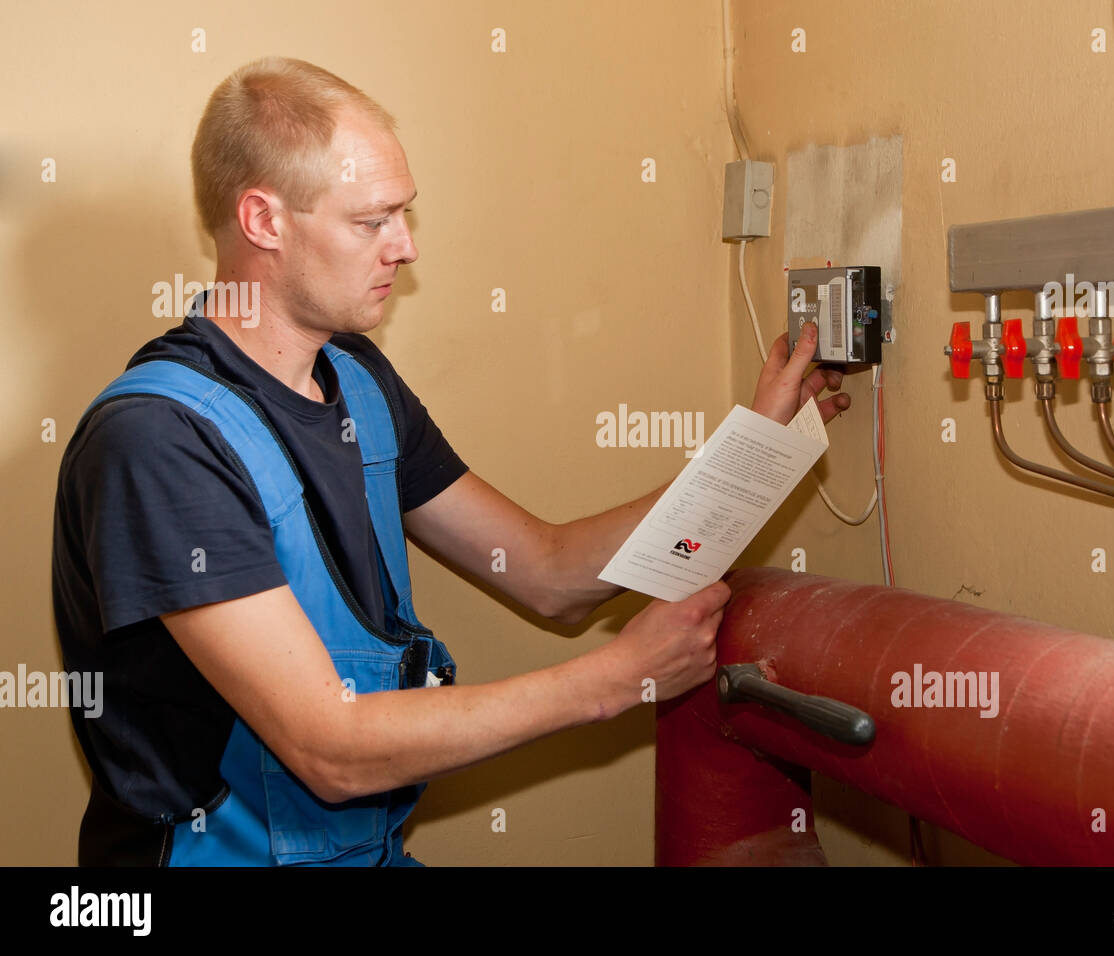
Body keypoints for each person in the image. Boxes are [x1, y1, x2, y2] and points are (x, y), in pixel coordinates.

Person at [50, 56, 851, 866]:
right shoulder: (158, 441)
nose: (407, 247)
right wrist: (614, 680)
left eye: (406, 214)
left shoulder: (359, 382)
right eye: (372, 221)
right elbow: (331, 750)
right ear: (263, 220)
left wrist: (756, 447)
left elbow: (547, 570)